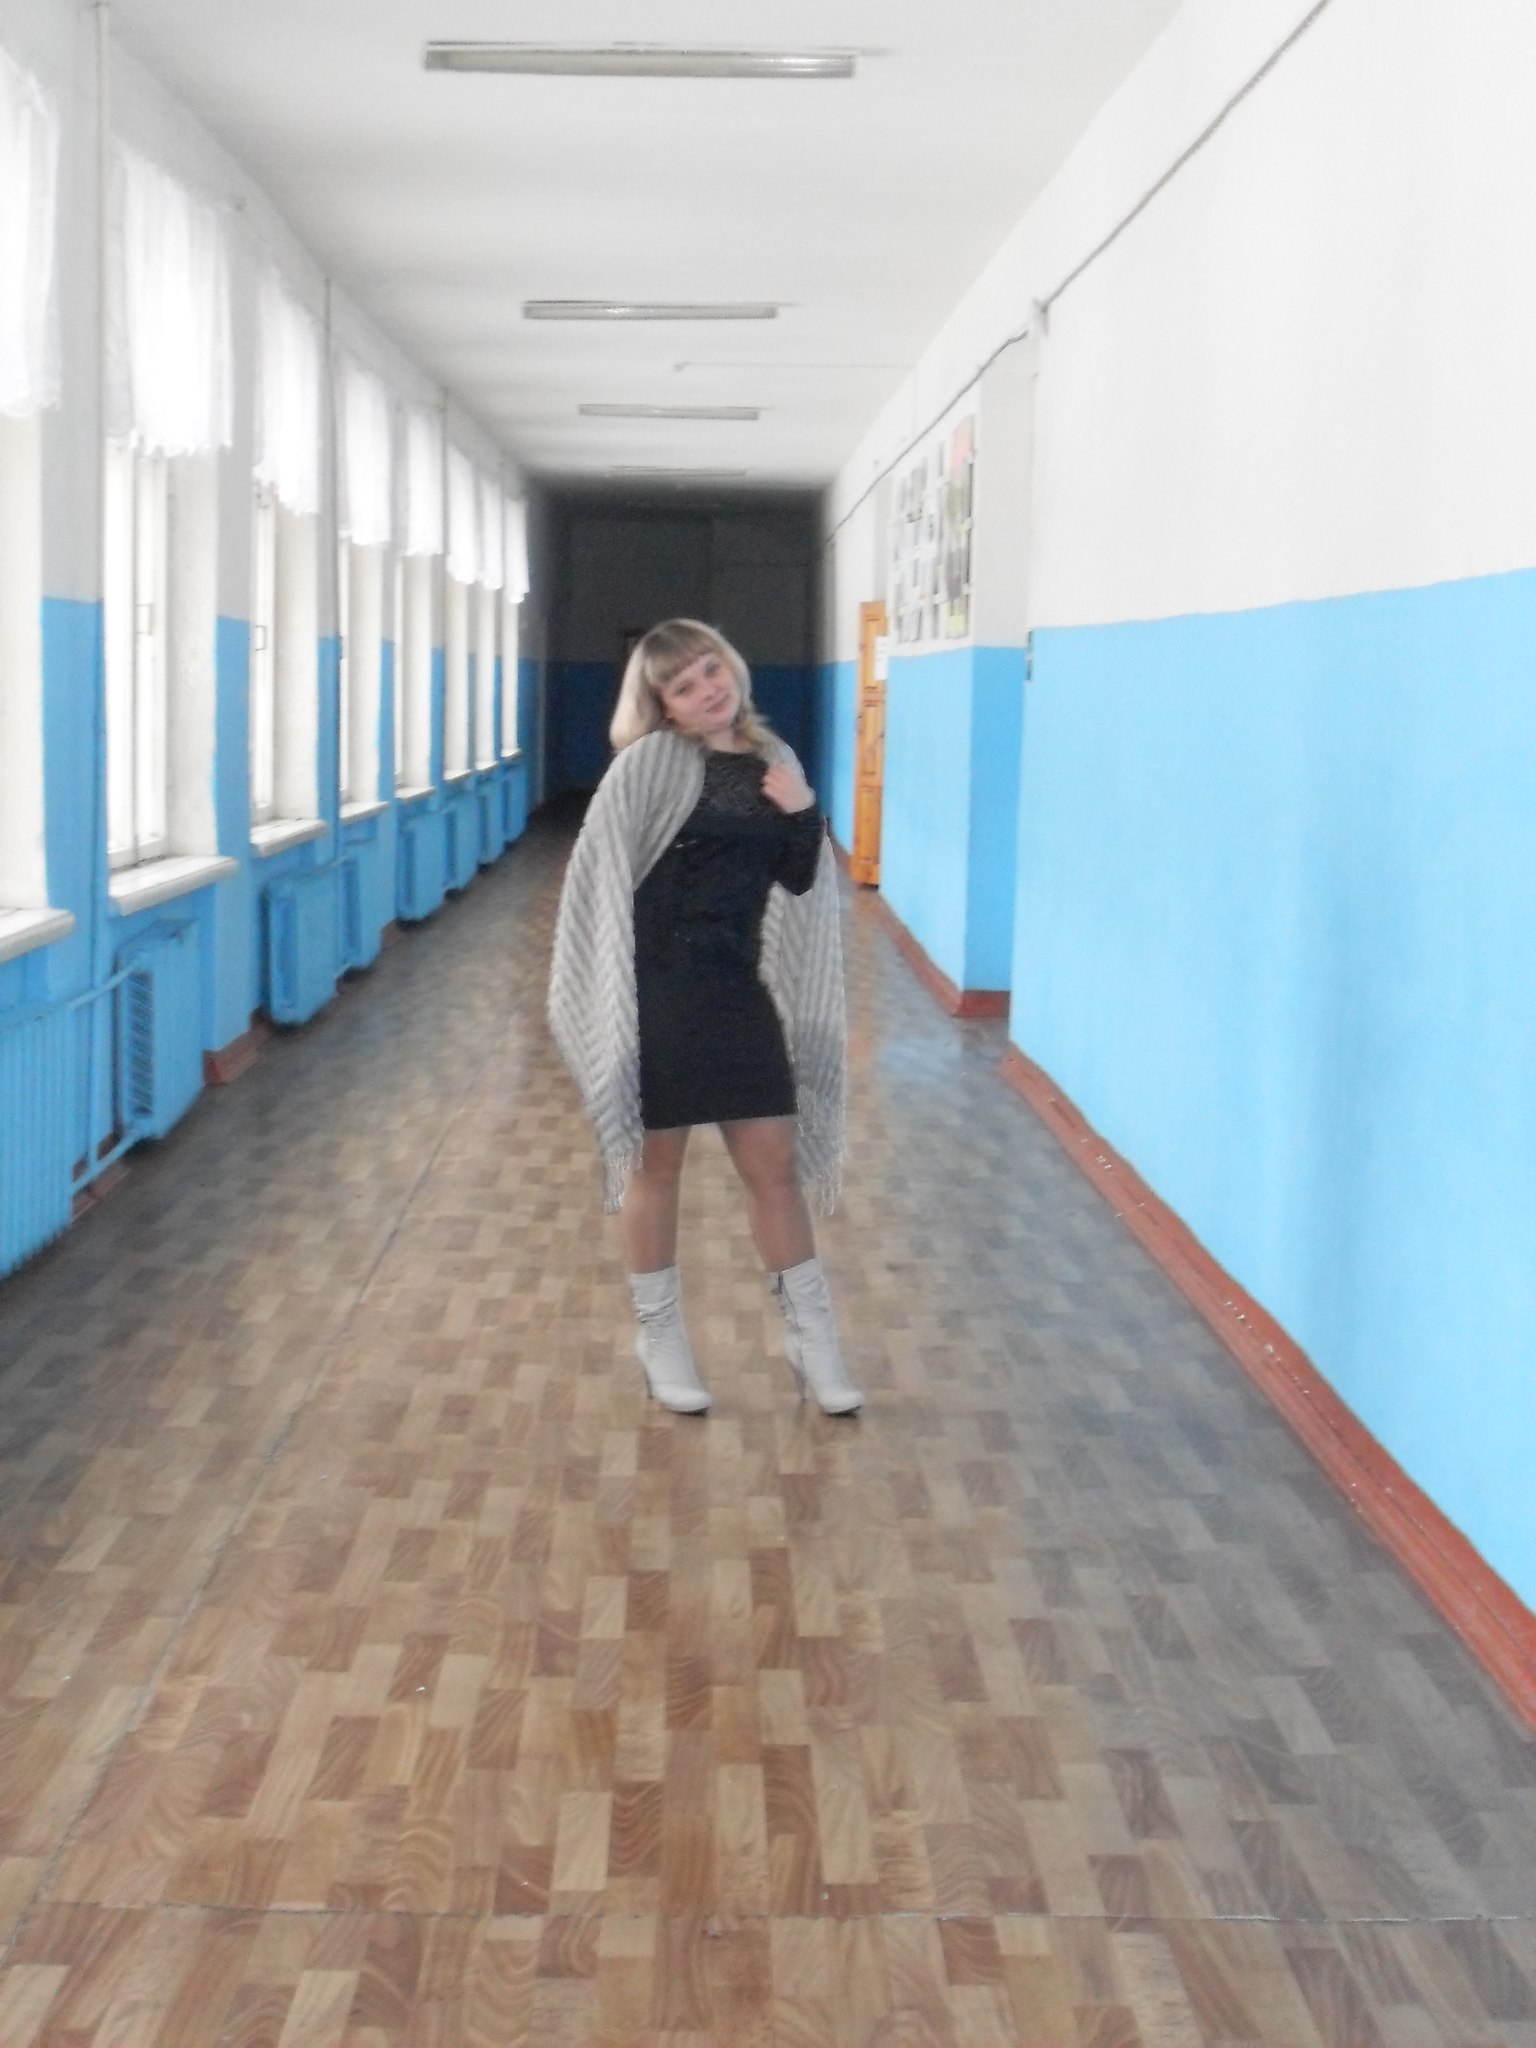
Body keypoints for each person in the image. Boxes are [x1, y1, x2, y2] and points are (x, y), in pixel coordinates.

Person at [548, 618, 862, 1416]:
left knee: (775, 1167)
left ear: (732, 666)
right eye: (683, 687)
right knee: (656, 1168)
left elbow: (800, 880)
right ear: (664, 706)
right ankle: (660, 1339)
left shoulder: (774, 760)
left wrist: (804, 812)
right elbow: (598, 882)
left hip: (737, 989)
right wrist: (609, 1000)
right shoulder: (645, 768)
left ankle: (814, 1340)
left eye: (711, 670)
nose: (707, 690)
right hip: (654, 994)